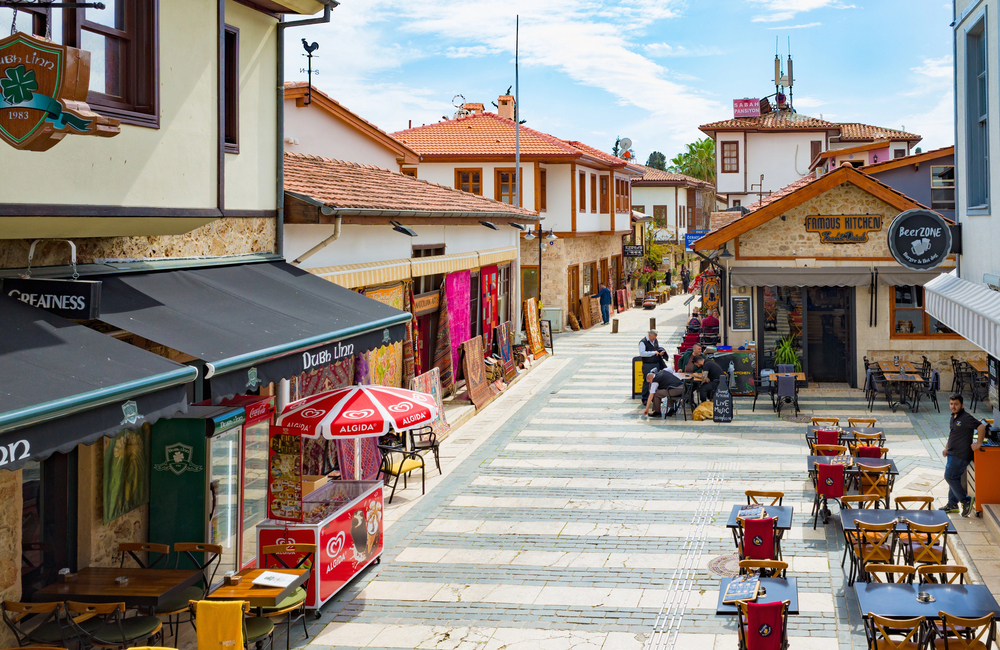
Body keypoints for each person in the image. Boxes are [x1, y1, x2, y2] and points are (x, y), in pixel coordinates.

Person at [940, 394, 987, 516]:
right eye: (951, 404)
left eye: (956, 404)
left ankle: (966, 500)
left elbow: (981, 427)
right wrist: (946, 448)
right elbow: (952, 434)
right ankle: (952, 504)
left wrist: (979, 443)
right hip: (952, 453)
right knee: (953, 478)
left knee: (949, 476)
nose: (953, 406)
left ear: (962, 405)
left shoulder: (966, 417)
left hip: (961, 455)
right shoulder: (954, 417)